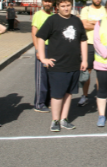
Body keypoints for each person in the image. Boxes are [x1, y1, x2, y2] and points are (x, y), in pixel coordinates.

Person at [36, 0, 88, 132]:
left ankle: (64, 119)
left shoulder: (76, 20)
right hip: (57, 65)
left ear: (72, 6)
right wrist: (43, 58)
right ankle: (55, 120)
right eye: (63, 6)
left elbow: (83, 40)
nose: (66, 8)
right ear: (57, 7)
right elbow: (40, 38)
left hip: (74, 64)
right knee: (57, 94)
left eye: (68, 5)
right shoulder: (52, 20)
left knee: (69, 93)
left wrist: (85, 60)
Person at [31, 0, 55, 112]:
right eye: (46, 1)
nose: (47, 4)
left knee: (51, 76)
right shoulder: (38, 15)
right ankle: (39, 103)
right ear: (42, 2)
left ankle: (48, 101)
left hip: (52, 49)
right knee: (42, 76)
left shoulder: (54, 16)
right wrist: (37, 50)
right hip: (42, 48)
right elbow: (34, 32)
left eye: (50, 1)